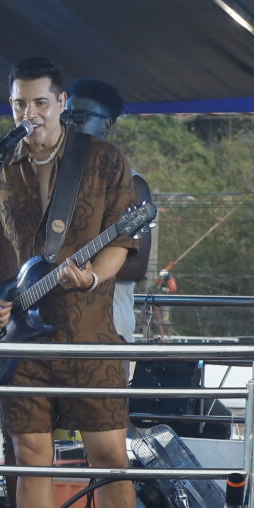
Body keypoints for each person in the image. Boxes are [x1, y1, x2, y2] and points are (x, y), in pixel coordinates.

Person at [0, 57, 167, 508]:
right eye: (19, 104)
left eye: (40, 103)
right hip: (19, 337)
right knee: (30, 458)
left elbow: (123, 240)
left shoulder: (103, 160)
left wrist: (93, 277)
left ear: (62, 103)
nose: (29, 113)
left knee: (110, 458)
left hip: (89, 332)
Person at [64, 77, 153, 345]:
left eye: (80, 117)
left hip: (108, 329)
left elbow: (136, 268)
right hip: (54, 326)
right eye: (65, 116)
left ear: (106, 125)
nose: (69, 124)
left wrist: (79, 268)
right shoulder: (52, 180)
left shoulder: (132, 185)